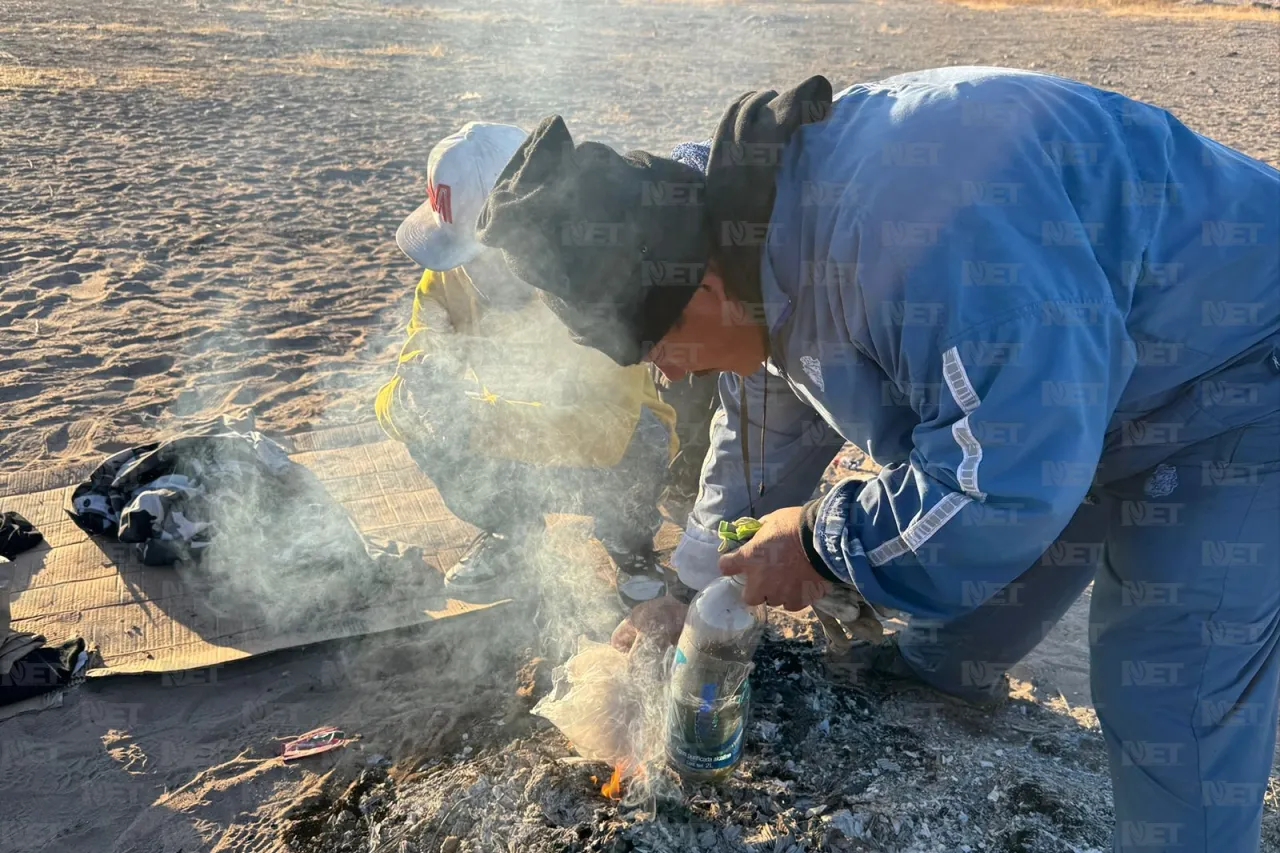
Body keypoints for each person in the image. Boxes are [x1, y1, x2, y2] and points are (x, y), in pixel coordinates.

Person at [472, 69, 1280, 853]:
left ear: (701, 293)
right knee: (949, 634)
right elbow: (769, 415)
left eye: (656, 351)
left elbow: (1000, 478)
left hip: (1235, 366)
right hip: (1087, 385)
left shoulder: (910, 235)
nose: (669, 376)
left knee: (1167, 682)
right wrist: (688, 586)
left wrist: (823, 543)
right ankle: (939, 678)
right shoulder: (752, 236)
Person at [376, 121, 682, 610]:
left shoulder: (595, 278)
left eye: (485, 256)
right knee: (429, 426)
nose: (473, 273)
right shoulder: (445, 281)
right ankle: (511, 532)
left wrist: (474, 421)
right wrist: (415, 407)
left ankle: (629, 541)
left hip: (600, 452)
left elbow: (605, 435)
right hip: (512, 439)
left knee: (642, 438)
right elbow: (396, 390)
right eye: (465, 258)